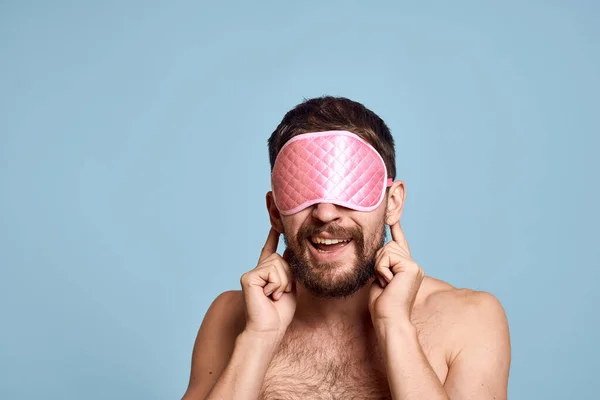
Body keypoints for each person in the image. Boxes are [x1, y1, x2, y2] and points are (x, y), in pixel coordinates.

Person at [181, 96, 511, 400]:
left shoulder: (468, 319)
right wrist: (259, 337)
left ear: (392, 204)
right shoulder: (230, 317)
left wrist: (394, 325)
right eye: (302, 192)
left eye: (352, 189)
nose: (325, 213)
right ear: (274, 212)